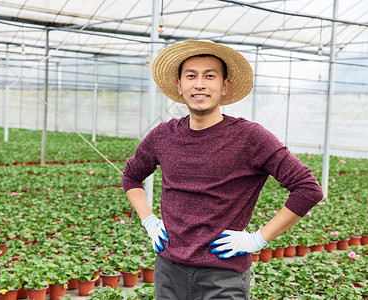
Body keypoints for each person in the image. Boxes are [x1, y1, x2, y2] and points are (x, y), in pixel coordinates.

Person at [121, 40, 323, 299]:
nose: (200, 84)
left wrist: (257, 239)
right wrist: (149, 221)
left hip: (222, 276)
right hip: (169, 270)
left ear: (224, 86)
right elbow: (132, 175)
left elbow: (308, 189)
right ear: (179, 85)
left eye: (210, 76)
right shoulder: (163, 135)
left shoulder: (250, 137)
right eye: (191, 76)